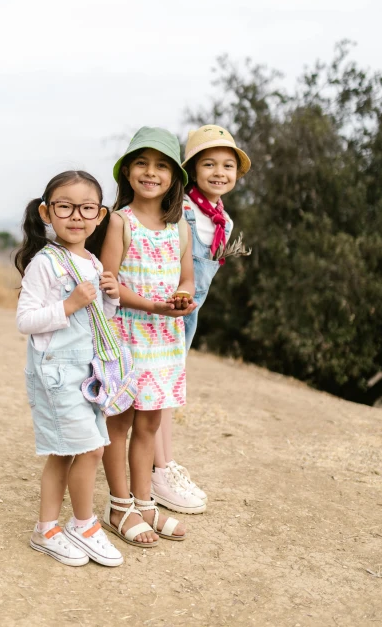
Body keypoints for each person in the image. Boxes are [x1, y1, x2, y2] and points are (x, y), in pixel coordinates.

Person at [15, 170, 124, 568]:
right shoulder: (44, 264)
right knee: (88, 449)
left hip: (86, 372)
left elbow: (96, 320)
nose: (76, 216)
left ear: (99, 216)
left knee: (68, 452)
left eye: (87, 208)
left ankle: (51, 528)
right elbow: (25, 320)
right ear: (47, 212)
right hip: (56, 374)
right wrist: (69, 304)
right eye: (65, 206)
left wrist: (109, 298)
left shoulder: (92, 261)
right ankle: (81, 524)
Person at [99, 127, 202, 548]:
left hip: (164, 342)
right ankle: (118, 506)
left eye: (162, 165)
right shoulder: (120, 221)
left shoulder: (179, 227)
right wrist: (153, 306)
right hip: (127, 336)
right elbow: (109, 283)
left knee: (150, 423)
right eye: (141, 163)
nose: (150, 172)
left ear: (175, 177)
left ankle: (145, 503)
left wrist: (182, 299)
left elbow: (188, 279)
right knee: (120, 423)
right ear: (127, 172)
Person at [152, 124, 252, 510]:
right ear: (192, 169)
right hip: (164, 308)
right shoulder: (181, 210)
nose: (219, 172)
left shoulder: (224, 222)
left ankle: (163, 465)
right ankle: (160, 468)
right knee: (159, 391)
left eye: (228, 165)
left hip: (189, 315)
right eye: (208, 163)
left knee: (169, 391)